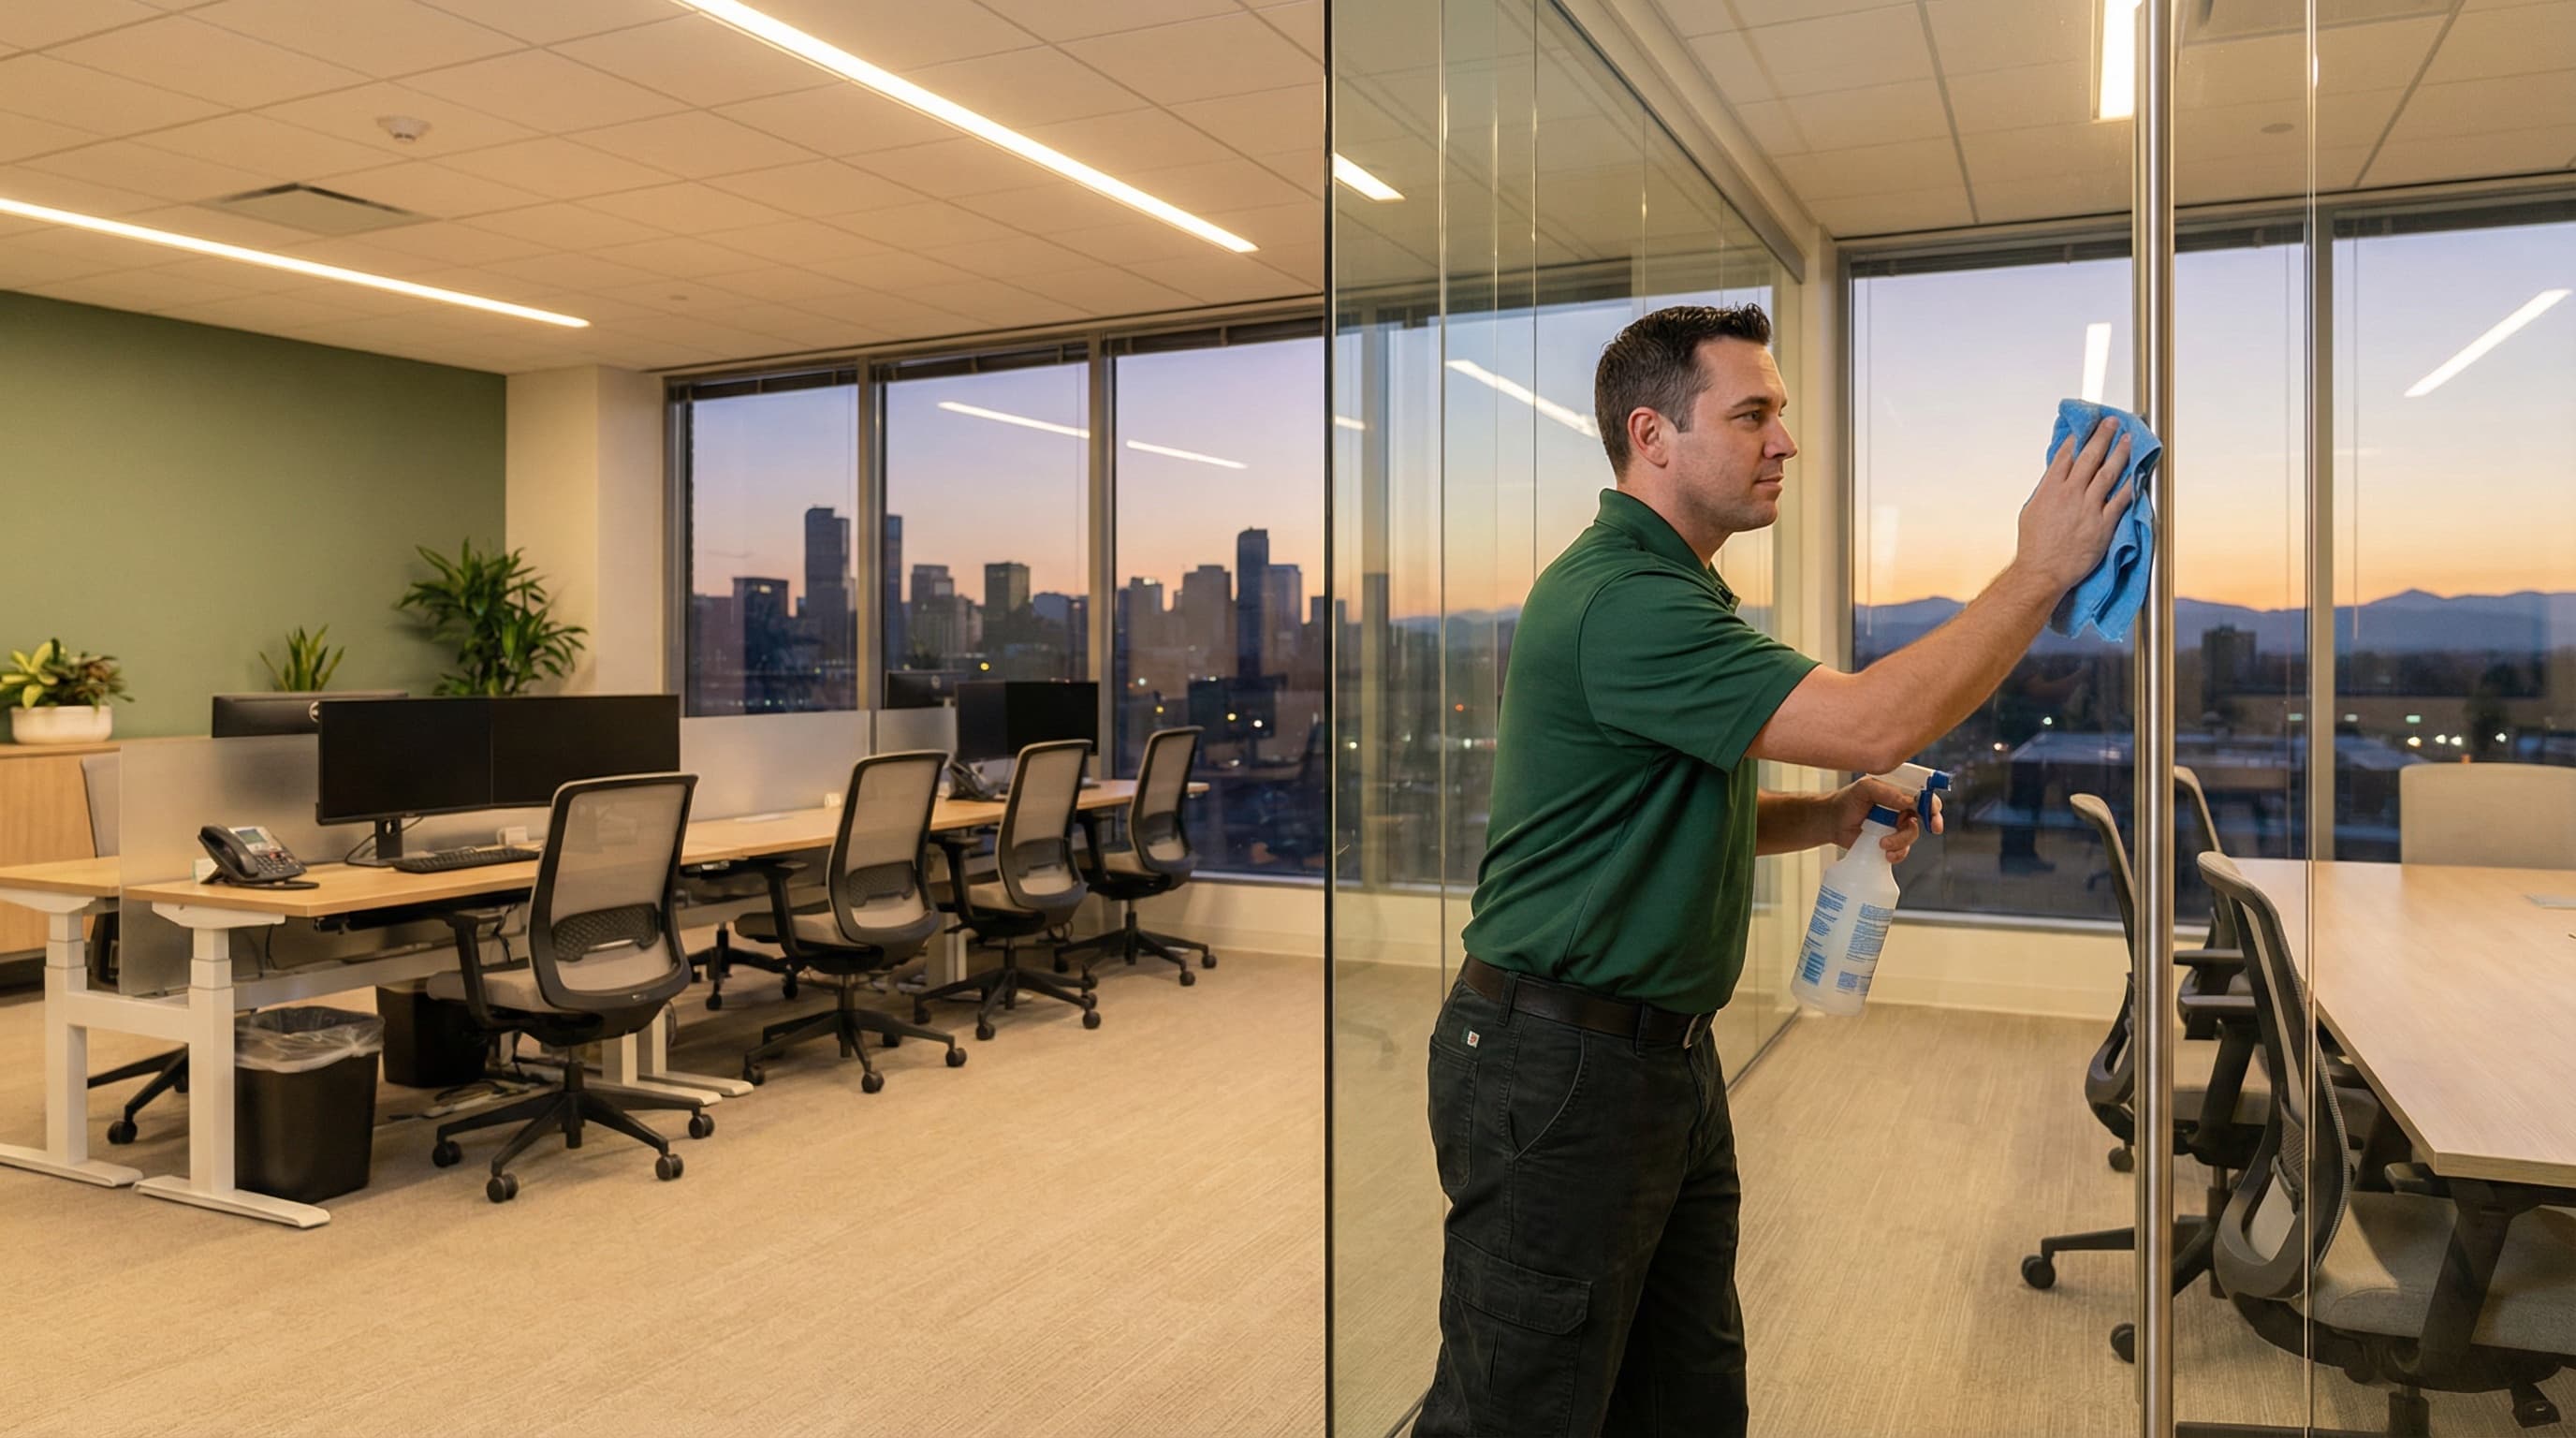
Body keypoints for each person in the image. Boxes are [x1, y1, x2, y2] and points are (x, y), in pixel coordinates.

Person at [1418, 303, 2136, 1437]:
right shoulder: (1625, 601)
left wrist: (1831, 816)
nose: (1783, 442)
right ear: (1651, 436)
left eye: (1782, 414)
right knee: (1521, 1408)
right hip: (1558, 1069)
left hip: (1657, 1058)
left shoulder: (1681, 588)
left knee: (1685, 1392)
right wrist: (2038, 572)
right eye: (1752, 414)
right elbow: (1872, 719)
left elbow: (1656, 814)